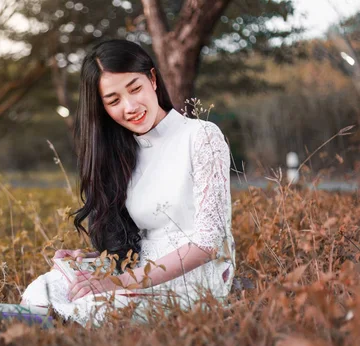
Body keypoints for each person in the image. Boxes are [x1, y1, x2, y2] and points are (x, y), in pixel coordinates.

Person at [21, 39, 236, 327]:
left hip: (195, 279)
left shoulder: (201, 136)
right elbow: (142, 238)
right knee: (43, 289)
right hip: (137, 272)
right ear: (102, 108)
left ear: (153, 79)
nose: (131, 106)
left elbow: (207, 245)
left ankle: (47, 330)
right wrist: (94, 260)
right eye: (113, 100)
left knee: (95, 307)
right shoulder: (123, 153)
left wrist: (116, 282)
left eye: (135, 88)